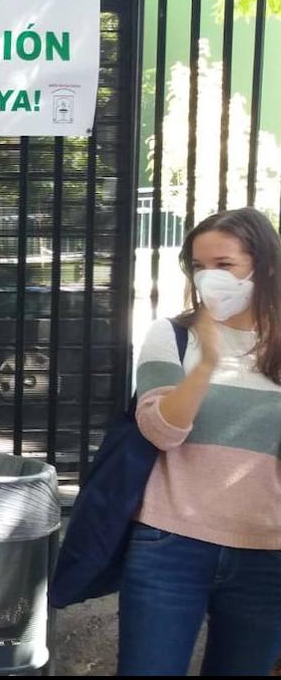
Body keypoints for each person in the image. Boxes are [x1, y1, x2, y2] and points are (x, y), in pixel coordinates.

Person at [118, 207, 281, 675]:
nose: (210, 278)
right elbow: (160, 430)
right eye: (200, 266)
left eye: (224, 265)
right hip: (170, 544)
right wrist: (207, 364)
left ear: (264, 264)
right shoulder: (172, 336)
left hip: (266, 552)